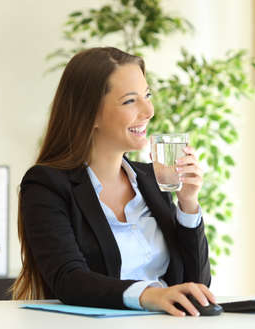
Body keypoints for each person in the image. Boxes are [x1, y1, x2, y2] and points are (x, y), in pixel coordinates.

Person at [11, 47, 214, 317]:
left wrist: (188, 204)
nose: (149, 110)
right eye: (130, 101)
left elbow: (196, 284)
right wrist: (149, 295)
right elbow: (69, 280)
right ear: (91, 113)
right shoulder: (46, 185)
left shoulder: (151, 181)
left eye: (147, 95)